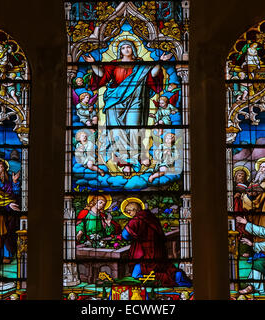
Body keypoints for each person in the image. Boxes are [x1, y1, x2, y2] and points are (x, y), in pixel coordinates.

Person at [85, 39, 170, 176]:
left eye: (128, 47)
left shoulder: (141, 65)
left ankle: (138, 157)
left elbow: (152, 75)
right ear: (119, 51)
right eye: (123, 47)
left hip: (136, 100)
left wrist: (161, 61)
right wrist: (92, 63)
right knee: (118, 132)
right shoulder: (114, 65)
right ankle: (125, 163)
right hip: (115, 101)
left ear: (133, 50)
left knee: (134, 128)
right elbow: (101, 75)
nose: (126, 49)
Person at [121, 201, 191, 287]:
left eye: (129, 211)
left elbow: (125, 235)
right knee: (159, 267)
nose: (129, 214)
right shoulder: (151, 217)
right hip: (158, 249)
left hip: (145, 252)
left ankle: (174, 277)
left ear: (134, 210)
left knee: (137, 275)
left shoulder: (136, 220)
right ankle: (175, 275)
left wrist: (134, 237)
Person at [0, 159, 21, 264]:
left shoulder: (9, 177)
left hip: (10, 209)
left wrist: (15, 182)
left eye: (2, 166)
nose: (1, 169)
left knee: (10, 231)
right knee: (0, 232)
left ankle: (8, 254)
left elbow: (16, 192)